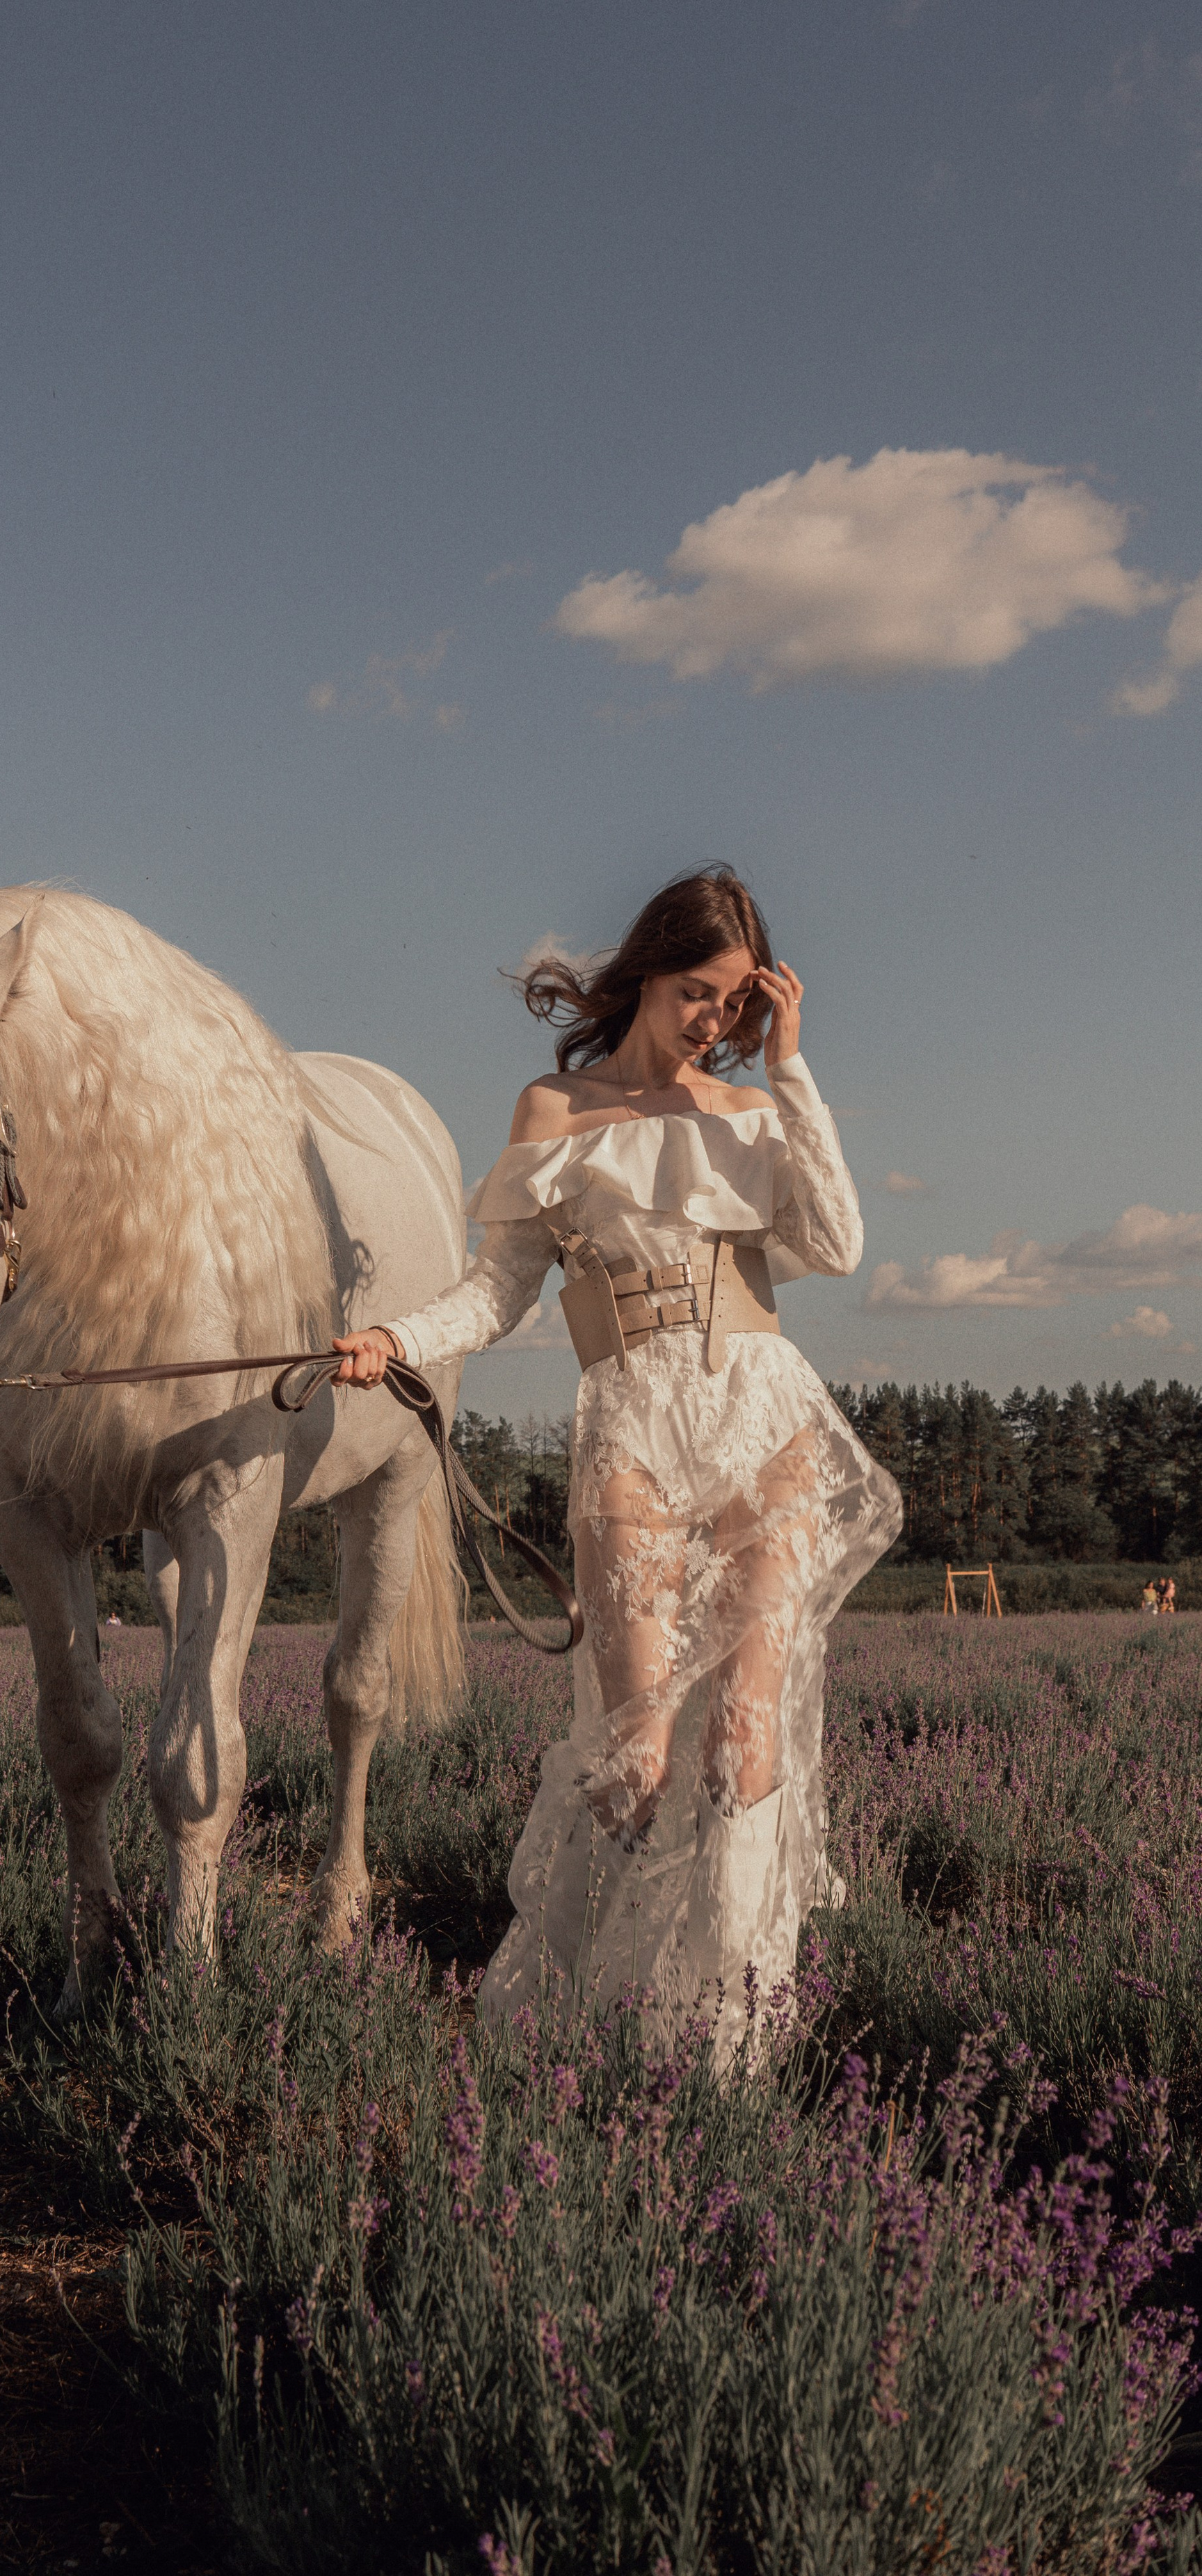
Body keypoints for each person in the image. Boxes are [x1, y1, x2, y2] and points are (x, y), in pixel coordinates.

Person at [333, 866, 902, 2070]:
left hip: (762, 1420)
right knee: (637, 1752)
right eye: (699, 992)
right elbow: (495, 1292)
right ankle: (583, 2033)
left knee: (743, 1744)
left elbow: (840, 1244)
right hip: (633, 1428)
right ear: (649, 970)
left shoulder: (752, 1115)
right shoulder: (554, 1110)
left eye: (736, 1003)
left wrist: (789, 1065)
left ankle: (723, 2056)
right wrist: (395, 1341)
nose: (714, 1019)